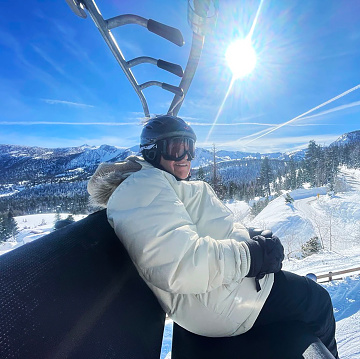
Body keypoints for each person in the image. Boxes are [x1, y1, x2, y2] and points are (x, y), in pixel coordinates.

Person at [87, 114, 339, 358]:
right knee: (317, 301)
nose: (186, 157)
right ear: (152, 151)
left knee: (307, 296)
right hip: (217, 304)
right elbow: (182, 264)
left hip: (216, 291)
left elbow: (194, 231)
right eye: (176, 149)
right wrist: (251, 256)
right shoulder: (142, 187)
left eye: (190, 148)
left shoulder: (157, 181)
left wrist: (247, 237)